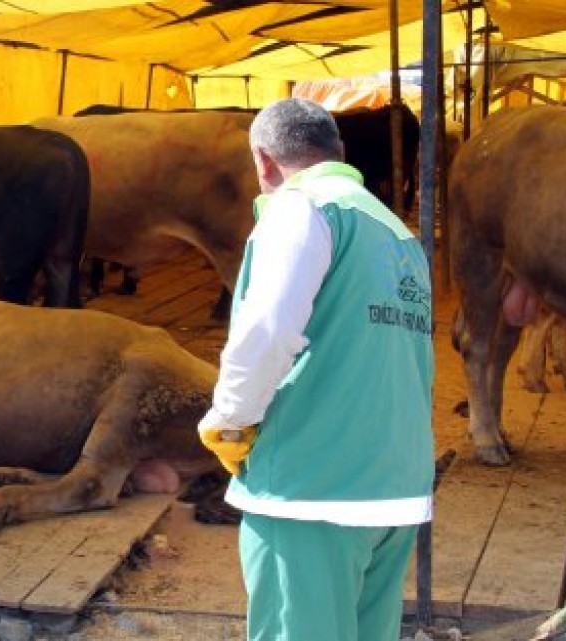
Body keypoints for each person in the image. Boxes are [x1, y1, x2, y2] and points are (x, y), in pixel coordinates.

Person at [196, 98, 434, 641]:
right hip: (396, 487)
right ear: (339, 152)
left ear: (263, 161)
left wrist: (229, 419)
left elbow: (267, 332)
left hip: (312, 490)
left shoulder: (301, 209)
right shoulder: (395, 232)